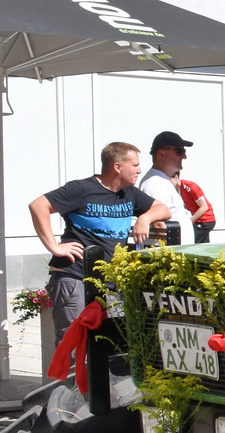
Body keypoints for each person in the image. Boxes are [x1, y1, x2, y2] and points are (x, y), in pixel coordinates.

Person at [29, 141, 170, 344]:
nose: (140, 170)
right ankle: (71, 378)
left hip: (111, 281)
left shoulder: (129, 193)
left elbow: (163, 209)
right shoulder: (81, 189)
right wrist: (53, 246)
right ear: (117, 167)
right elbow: (38, 205)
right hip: (75, 277)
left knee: (111, 339)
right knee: (73, 340)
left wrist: (144, 218)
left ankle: (102, 378)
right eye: (135, 165)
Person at [138, 131, 194, 245]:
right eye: (179, 151)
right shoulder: (154, 183)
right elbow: (158, 227)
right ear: (162, 154)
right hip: (170, 257)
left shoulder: (162, 181)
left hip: (176, 255)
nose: (184, 156)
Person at [174, 173, 216, 243]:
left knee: (191, 241)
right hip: (198, 221)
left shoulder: (189, 186)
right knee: (203, 246)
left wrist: (189, 221)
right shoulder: (176, 191)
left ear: (176, 177)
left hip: (205, 220)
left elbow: (204, 207)